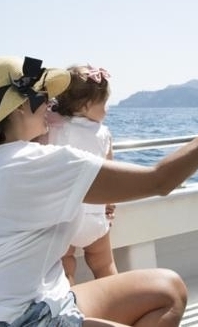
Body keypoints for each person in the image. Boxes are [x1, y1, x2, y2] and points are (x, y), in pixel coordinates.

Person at [0, 55, 198, 327]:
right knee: (170, 293)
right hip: (21, 318)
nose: (51, 103)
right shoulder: (37, 163)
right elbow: (160, 181)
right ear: (19, 107)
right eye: (43, 95)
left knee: (167, 288)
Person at [44, 64, 118, 285]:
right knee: (104, 264)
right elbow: (110, 174)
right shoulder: (103, 133)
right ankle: (114, 296)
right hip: (94, 217)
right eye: (104, 103)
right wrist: (109, 205)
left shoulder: (52, 126)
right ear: (86, 106)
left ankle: (72, 302)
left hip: (63, 218)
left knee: (65, 267)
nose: (107, 109)